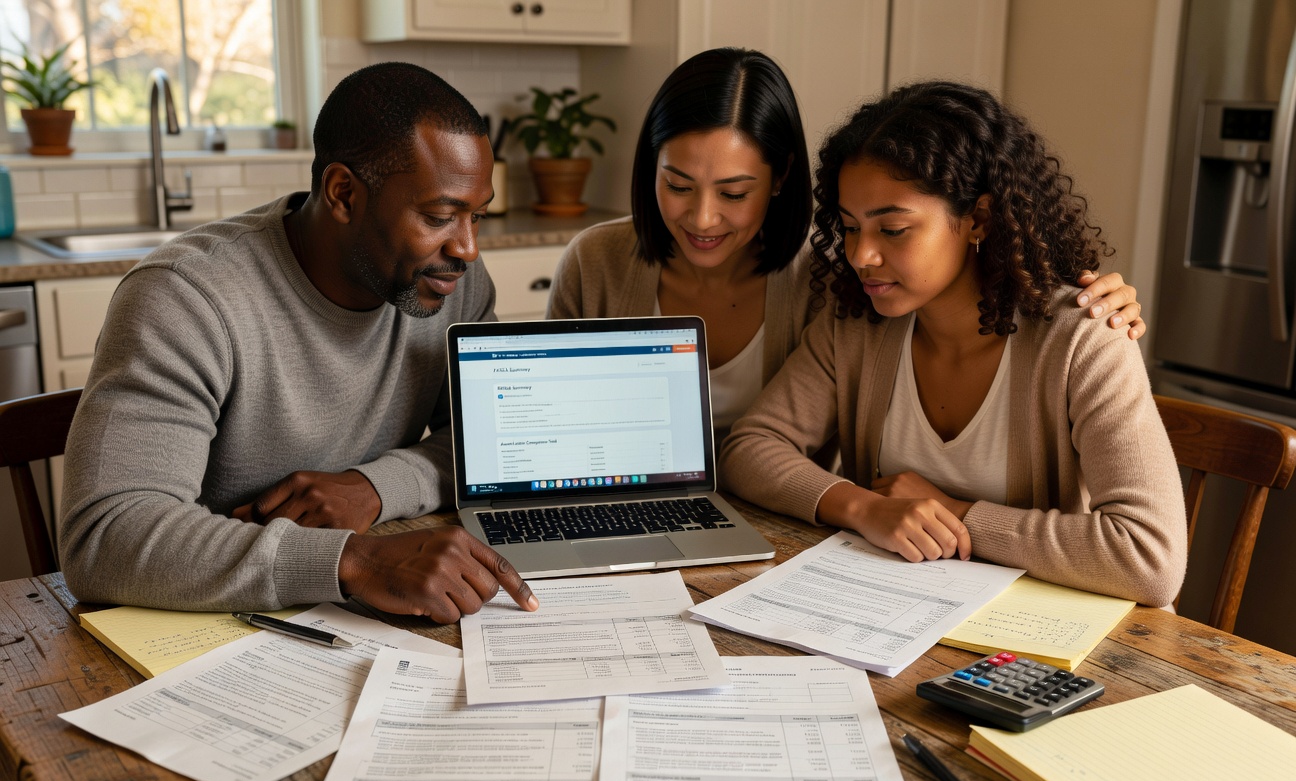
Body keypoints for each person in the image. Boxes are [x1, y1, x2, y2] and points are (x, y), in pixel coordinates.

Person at [59, 63, 537, 622]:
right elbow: (105, 536)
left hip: (368, 612)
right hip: (203, 621)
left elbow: (496, 442)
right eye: (439, 217)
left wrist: (374, 488)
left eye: (477, 216)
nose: (468, 248)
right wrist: (353, 561)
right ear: (343, 194)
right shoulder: (185, 297)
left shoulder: (451, 281)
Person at [720, 81, 1187, 607]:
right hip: (901, 613)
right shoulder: (857, 323)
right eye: (850, 227)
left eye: (893, 229)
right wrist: (862, 507)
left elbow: (1150, 558)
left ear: (977, 220)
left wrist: (956, 514)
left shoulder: (1082, 338)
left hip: (1046, 632)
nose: (861, 256)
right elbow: (751, 448)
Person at [547, 48, 1145, 443]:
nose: (702, 217)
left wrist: (1083, 296)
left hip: (781, 530)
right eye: (677, 185)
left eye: (733, 192)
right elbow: (549, 429)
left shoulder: (833, 278)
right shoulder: (596, 262)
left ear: (780, 178)